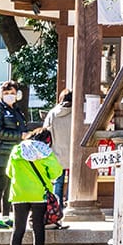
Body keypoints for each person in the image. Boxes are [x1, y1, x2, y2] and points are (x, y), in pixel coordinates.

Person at [5, 126, 61, 245]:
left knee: (18, 228)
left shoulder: (17, 150)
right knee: (38, 227)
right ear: (47, 140)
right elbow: (57, 172)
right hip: (39, 195)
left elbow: (9, 172)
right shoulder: (46, 152)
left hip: (19, 194)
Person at [0, 81, 28, 229]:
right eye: (6, 93)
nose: (9, 96)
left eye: (12, 93)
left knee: (9, 185)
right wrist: (20, 136)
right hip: (0, 151)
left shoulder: (17, 110)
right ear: (1, 94)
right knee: (0, 184)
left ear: (18, 95)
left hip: (13, 152)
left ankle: (5, 216)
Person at [43, 90, 74, 227]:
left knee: (58, 184)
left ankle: (57, 211)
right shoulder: (77, 113)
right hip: (74, 155)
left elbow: (45, 132)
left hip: (57, 154)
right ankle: (71, 205)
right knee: (74, 183)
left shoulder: (53, 113)